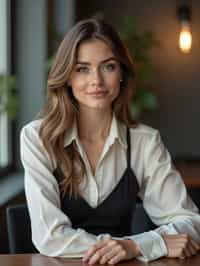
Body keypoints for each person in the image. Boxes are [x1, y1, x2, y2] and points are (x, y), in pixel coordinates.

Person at [20, 18, 200, 264]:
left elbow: (191, 221)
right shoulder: (38, 138)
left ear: (122, 74)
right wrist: (139, 245)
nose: (96, 80)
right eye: (82, 68)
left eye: (108, 67)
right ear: (67, 77)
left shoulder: (144, 142)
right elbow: (49, 237)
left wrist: (134, 246)